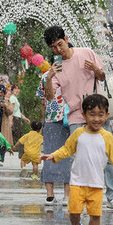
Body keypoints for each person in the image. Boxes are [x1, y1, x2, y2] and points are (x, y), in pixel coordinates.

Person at [44, 26, 113, 211]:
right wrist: (49, 77)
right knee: (76, 156)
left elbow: (103, 78)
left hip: (97, 112)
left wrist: (97, 69)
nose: (58, 50)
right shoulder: (57, 67)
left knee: (106, 154)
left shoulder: (85, 53)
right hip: (76, 115)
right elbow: (50, 96)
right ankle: (78, 194)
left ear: (66, 38)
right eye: (53, 48)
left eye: (60, 44)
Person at [42, 94, 113, 225]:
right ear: (83, 115)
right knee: (74, 212)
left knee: (95, 215)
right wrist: (53, 155)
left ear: (107, 116)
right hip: (77, 182)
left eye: (100, 115)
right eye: (92, 114)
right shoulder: (79, 134)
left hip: (96, 184)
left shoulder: (107, 137)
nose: (96, 119)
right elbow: (67, 149)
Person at [36, 68, 72, 206]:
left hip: (57, 120)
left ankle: (53, 195)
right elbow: (44, 99)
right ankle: (62, 195)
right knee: (64, 156)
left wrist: (44, 120)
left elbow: (42, 102)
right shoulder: (48, 75)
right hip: (66, 119)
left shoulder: (46, 75)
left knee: (56, 155)